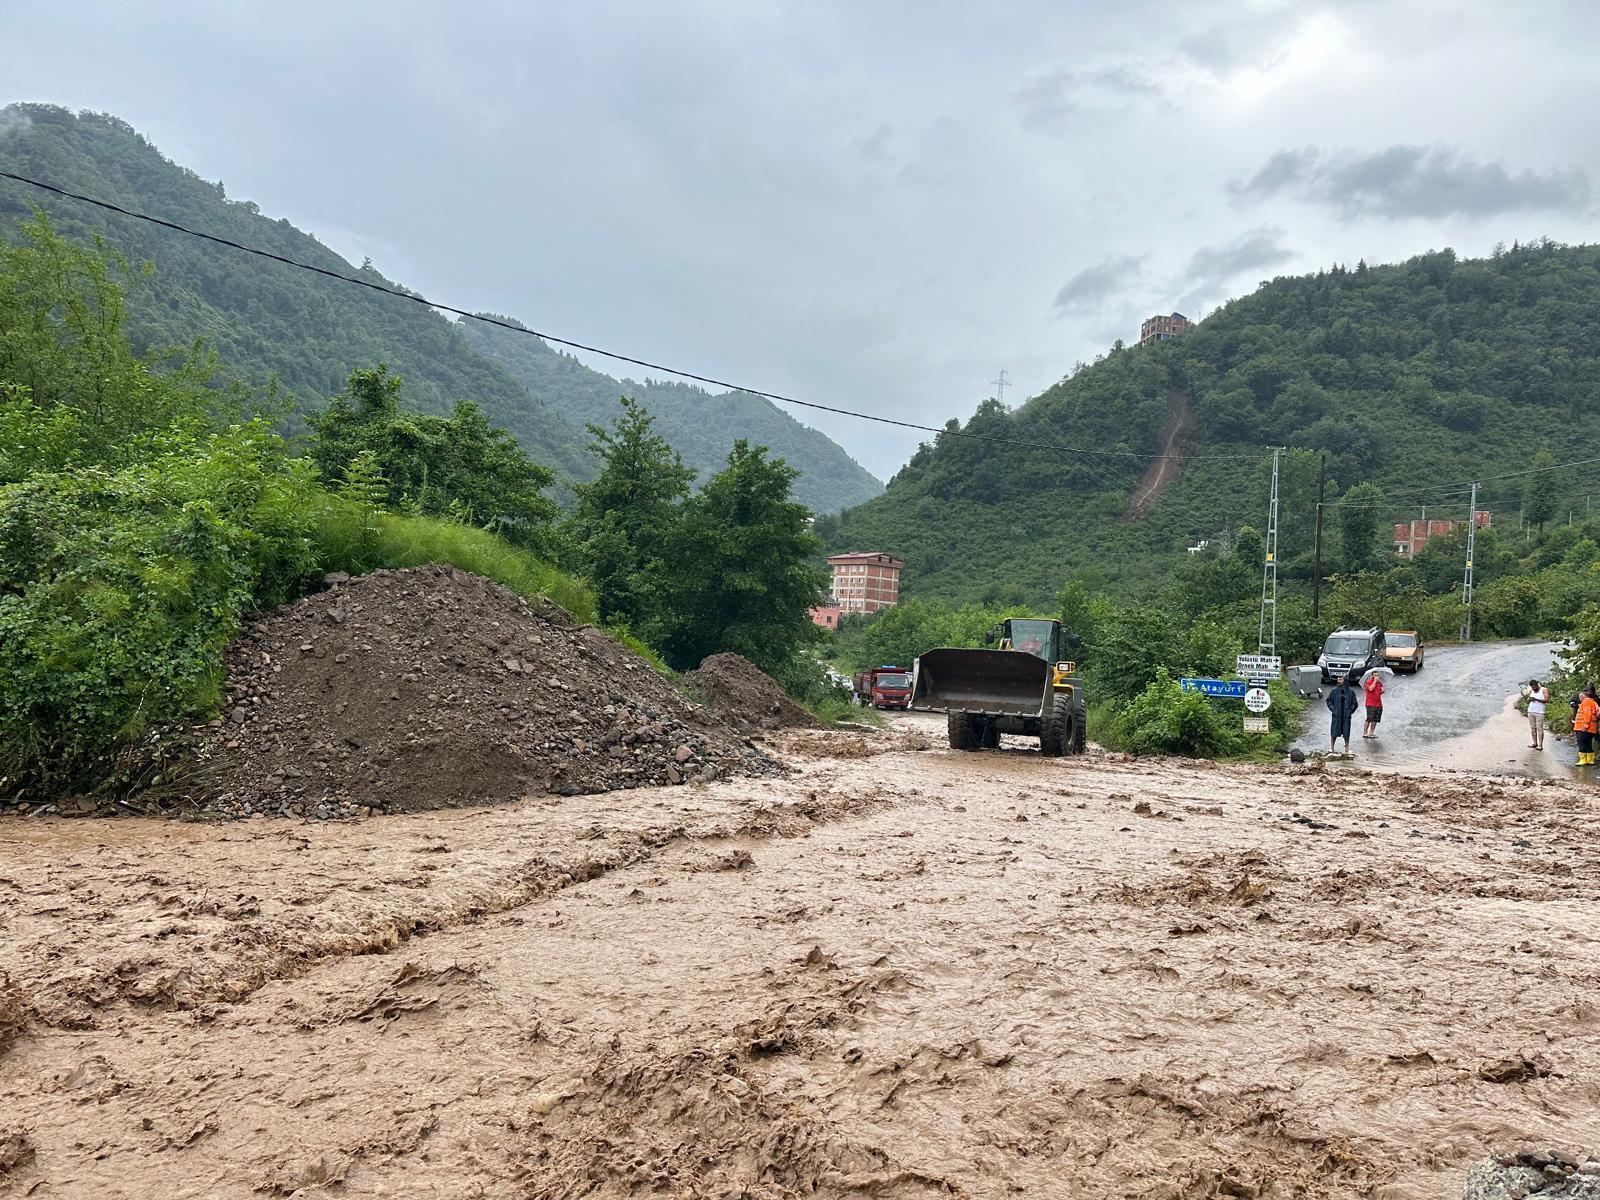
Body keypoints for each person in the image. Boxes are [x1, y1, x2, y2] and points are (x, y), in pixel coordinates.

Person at [1326, 671, 1360, 756]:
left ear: (1344, 680)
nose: (1339, 680)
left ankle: (1347, 747)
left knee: (1346, 731)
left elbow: (1355, 703)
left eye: (1340, 679)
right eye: (1338, 679)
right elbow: (1328, 700)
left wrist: (1350, 711)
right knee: (1334, 731)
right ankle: (1332, 747)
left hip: (1346, 715)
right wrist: (1333, 710)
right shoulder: (1334, 691)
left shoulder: (1351, 691)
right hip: (1337, 714)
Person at [1574, 684, 1599, 766]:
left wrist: (1585, 726)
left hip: (1584, 728)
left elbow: (1587, 715)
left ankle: (1583, 760)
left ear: (1583, 697)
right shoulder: (1592, 702)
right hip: (1591, 728)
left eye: (1580, 697)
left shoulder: (1586, 702)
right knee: (1588, 744)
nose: (1579, 699)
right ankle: (1590, 760)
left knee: (1582, 743)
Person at [1521, 678, 1550, 750]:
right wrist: (1528, 699)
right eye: (1532, 687)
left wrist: (1536, 699)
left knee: (1539, 728)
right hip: (1531, 711)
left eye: (1535, 687)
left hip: (1539, 712)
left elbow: (1547, 700)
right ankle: (1534, 743)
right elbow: (1528, 701)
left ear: (1537, 685)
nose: (1534, 689)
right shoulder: (1531, 691)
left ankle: (1540, 745)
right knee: (1533, 728)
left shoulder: (1544, 690)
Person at [1361, 670, 1385, 739]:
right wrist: (1374, 681)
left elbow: (1380, 690)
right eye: (1375, 675)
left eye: (1377, 675)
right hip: (1370, 704)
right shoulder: (1368, 682)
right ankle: (1365, 732)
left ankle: (1372, 732)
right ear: (1372, 676)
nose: (1376, 676)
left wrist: (1382, 691)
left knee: (1375, 719)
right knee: (1369, 718)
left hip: (1378, 704)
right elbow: (1371, 689)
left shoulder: (1380, 683)